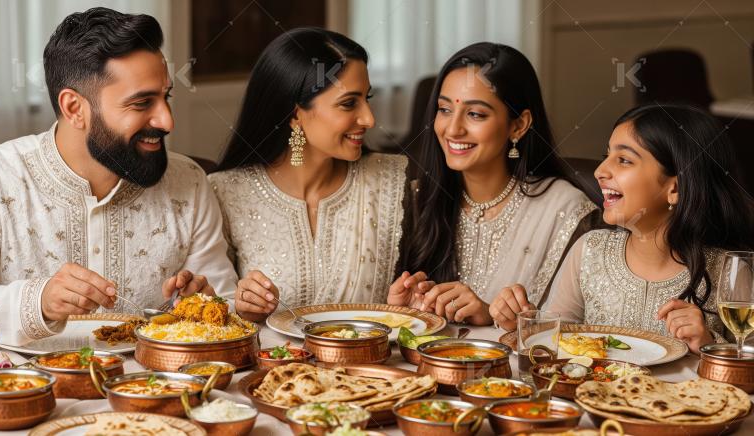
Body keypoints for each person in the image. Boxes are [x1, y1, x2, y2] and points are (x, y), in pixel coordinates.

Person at [0, 8, 236, 346]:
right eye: (142, 103)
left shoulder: (188, 182)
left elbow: (227, 307)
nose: (166, 121)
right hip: (28, 394)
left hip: (161, 391)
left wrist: (204, 303)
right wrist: (37, 302)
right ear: (74, 108)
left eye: (166, 97)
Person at [491, 104, 754, 353]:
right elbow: (552, 341)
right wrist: (519, 321)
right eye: (606, 156)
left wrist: (708, 344)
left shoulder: (728, 271)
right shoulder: (590, 251)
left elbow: (747, 368)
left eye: (624, 160)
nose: (600, 171)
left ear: (674, 189)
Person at [209, 28, 430, 322]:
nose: (369, 118)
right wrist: (242, 307)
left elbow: (419, 297)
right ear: (296, 113)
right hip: (272, 367)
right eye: (349, 103)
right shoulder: (226, 193)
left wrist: (408, 304)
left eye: (367, 98)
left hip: (371, 366)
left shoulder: (391, 181)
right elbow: (212, 316)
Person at [392, 42, 598, 325]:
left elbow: (579, 337)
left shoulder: (565, 210)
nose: (453, 129)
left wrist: (491, 316)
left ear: (518, 125)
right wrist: (405, 310)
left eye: (475, 114)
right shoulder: (419, 199)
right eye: (444, 109)